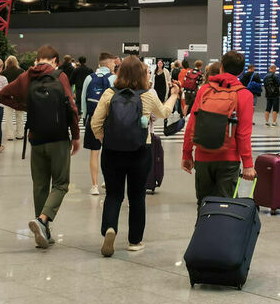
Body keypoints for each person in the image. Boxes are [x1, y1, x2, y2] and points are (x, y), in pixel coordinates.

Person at [90, 56, 180, 257]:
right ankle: (134, 241)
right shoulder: (147, 95)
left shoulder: (109, 93)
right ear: (142, 74)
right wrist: (174, 95)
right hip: (140, 151)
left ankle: (110, 228)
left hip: (112, 151)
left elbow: (95, 122)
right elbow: (164, 112)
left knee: (113, 194)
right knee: (137, 196)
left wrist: (104, 139)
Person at [0, 45, 80, 249]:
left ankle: (44, 232)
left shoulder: (26, 77)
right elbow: (71, 106)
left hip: (36, 138)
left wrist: (26, 107)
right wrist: (76, 135)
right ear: (55, 61)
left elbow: (1, 96)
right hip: (58, 138)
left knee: (40, 185)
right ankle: (42, 221)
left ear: (38, 59)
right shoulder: (60, 76)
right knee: (61, 184)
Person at [182, 51, 256, 208]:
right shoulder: (245, 95)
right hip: (228, 159)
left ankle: (203, 225)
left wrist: (187, 153)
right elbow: (243, 134)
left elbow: (192, 124)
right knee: (225, 207)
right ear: (241, 72)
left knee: (204, 205)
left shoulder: (204, 90)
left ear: (221, 67)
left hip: (202, 157)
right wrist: (248, 164)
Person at [80, 52, 117, 195]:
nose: (114, 65)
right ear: (108, 64)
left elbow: (83, 99)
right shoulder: (113, 78)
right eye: (113, 63)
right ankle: (107, 181)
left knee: (94, 153)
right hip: (109, 120)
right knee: (109, 153)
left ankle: (94, 185)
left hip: (92, 119)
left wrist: (85, 118)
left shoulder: (89, 78)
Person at [2, 56, 26, 141]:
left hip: (7, 96)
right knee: (20, 116)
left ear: (6, 62)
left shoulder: (3, 73)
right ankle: (20, 134)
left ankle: (10, 135)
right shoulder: (21, 71)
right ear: (16, 62)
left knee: (8, 117)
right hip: (19, 96)